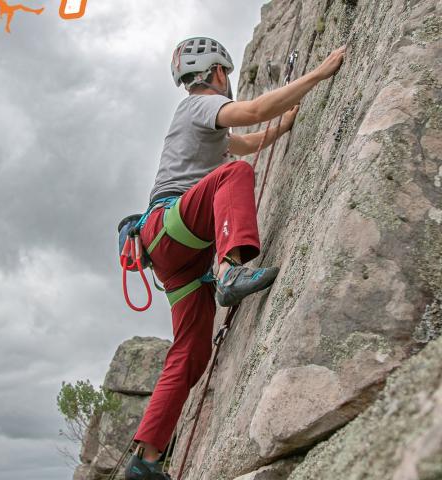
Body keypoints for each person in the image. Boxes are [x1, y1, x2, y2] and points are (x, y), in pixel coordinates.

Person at [125, 37, 345, 479]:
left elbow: (250, 137)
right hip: (174, 226)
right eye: (228, 74)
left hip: (170, 252)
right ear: (218, 73)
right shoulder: (199, 105)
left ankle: (145, 460)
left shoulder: (205, 125)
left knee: (189, 353)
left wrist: (284, 126)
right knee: (236, 175)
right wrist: (320, 74)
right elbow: (252, 113)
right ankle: (229, 272)